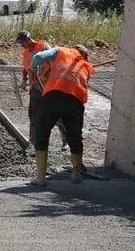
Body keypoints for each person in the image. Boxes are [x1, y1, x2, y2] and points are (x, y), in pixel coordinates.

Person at [29, 43, 95, 186]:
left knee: (42, 133)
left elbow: (38, 57)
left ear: (74, 49)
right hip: (75, 103)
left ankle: (40, 177)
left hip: (54, 97)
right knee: (75, 137)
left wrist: (33, 67)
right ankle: (76, 174)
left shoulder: (63, 51)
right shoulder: (86, 66)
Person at [15, 30, 50, 148]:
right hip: (34, 87)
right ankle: (33, 141)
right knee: (33, 114)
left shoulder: (43, 48)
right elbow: (25, 67)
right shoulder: (25, 53)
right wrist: (24, 79)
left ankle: (65, 140)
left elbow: (54, 63)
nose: (22, 45)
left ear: (28, 39)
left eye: (22, 43)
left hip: (47, 86)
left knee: (53, 114)